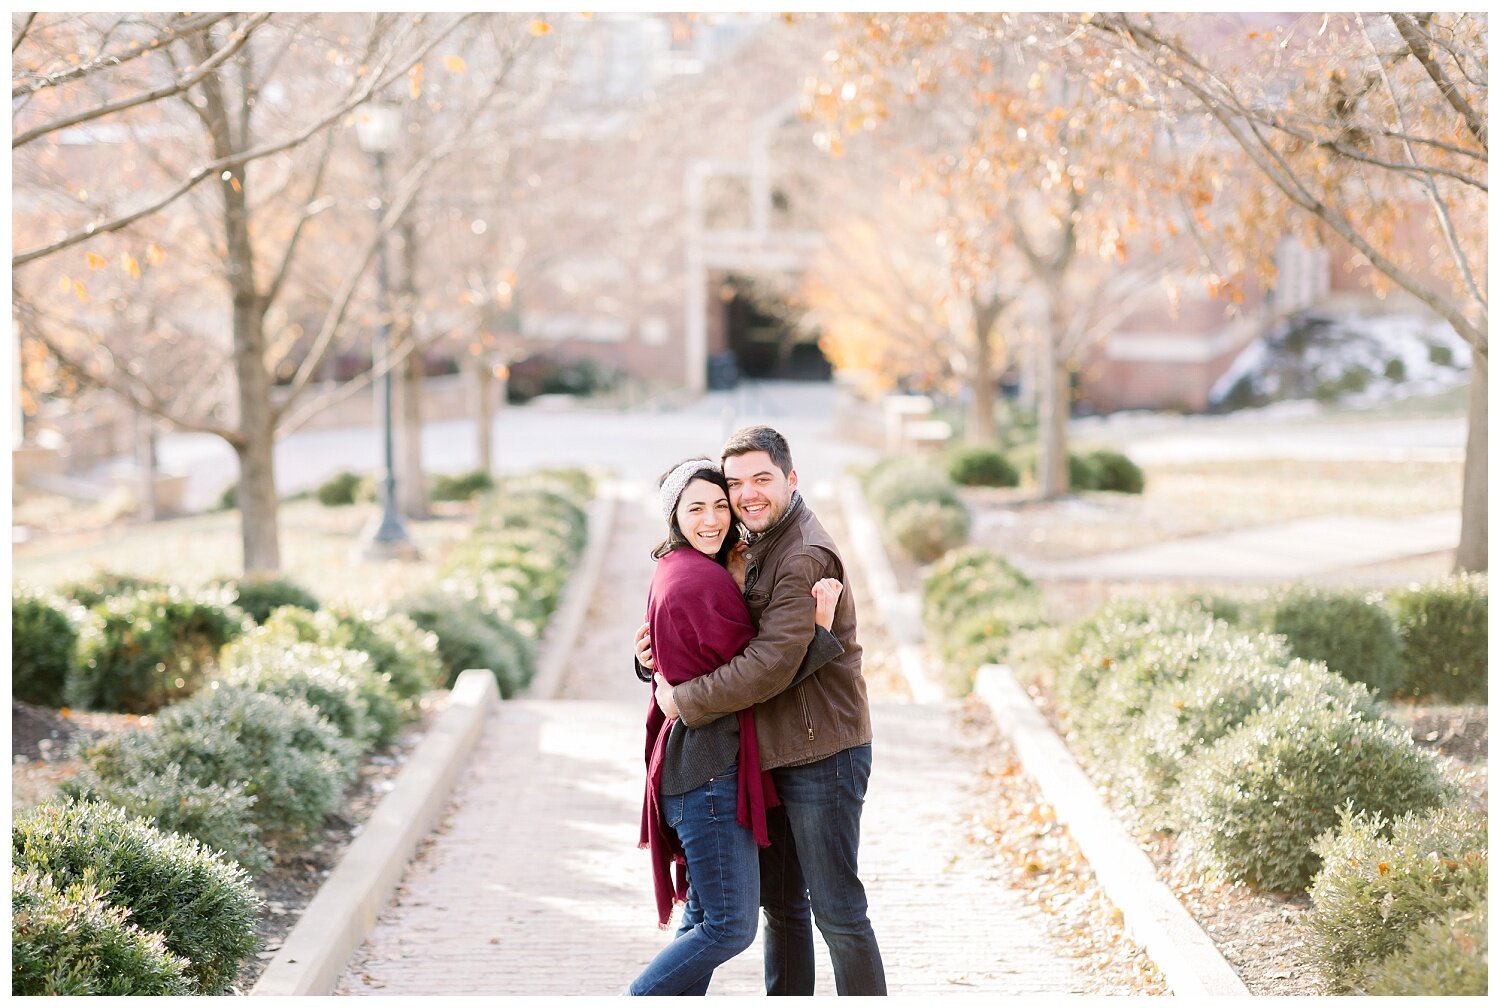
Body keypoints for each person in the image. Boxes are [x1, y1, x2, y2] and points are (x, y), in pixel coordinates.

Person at [638, 426, 887, 996]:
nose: (747, 494)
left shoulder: (801, 554)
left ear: (791, 479)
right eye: (735, 483)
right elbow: (710, 636)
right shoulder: (751, 542)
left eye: (762, 479)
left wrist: (682, 700)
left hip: (822, 749)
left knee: (838, 912)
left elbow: (768, 665)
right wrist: (649, 657)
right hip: (773, 750)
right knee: (781, 908)